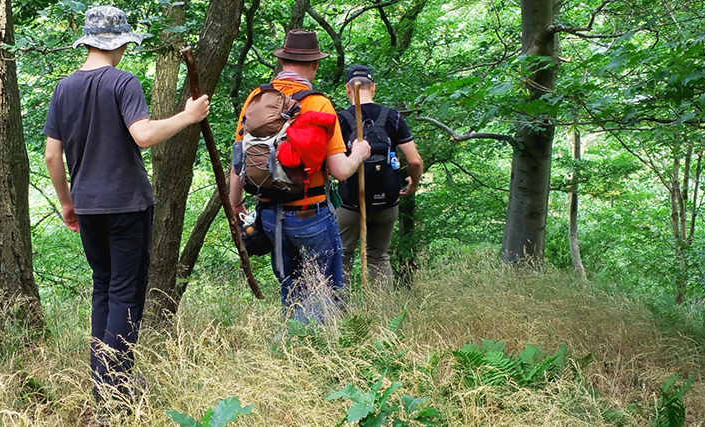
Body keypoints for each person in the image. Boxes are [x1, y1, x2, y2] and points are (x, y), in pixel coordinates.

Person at [41, 5, 209, 395]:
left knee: (103, 287)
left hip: (86, 205)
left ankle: (103, 381)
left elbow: (52, 155)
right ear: (119, 43)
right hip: (127, 206)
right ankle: (114, 387)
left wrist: (67, 202)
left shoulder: (63, 89)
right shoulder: (122, 81)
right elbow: (144, 135)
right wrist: (189, 116)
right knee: (125, 292)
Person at [229, 30, 370, 323]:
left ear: (281, 61)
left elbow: (239, 157)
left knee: (291, 288)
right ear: (315, 65)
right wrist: (359, 153)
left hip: (267, 213)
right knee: (323, 290)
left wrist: (236, 202)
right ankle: (314, 352)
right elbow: (340, 170)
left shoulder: (256, 98)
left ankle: (290, 349)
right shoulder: (318, 103)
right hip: (311, 214)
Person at [336, 65, 424, 287]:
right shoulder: (393, 117)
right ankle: (382, 312)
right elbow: (414, 160)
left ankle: (341, 313)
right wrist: (413, 182)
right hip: (387, 202)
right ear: (373, 88)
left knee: (342, 256)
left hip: (350, 203)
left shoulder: (340, 120)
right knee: (378, 256)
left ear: (348, 89)